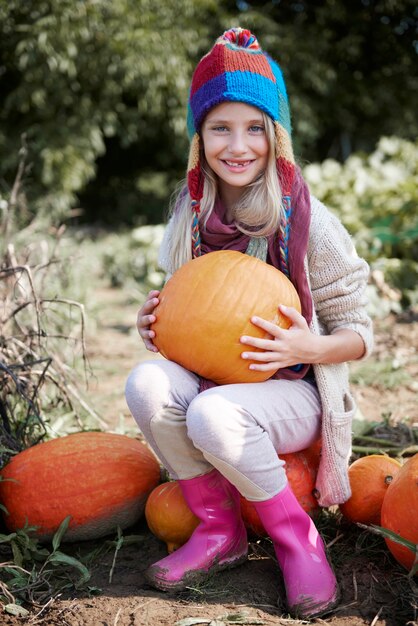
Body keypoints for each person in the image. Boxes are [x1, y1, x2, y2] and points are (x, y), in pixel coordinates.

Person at [125, 27, 373, 619]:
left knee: (214, 413)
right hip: (216, 379)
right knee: (146, 382)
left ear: (275, 134)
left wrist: (306, 343)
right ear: (199, 137)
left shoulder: (308, 219)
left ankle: (296, 540)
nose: (238, 146)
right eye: (220, 128)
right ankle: (218, 528)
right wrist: (154, 322)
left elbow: (360, 333)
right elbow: (189, 313)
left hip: (295, 393)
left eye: (255, 127)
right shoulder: (191, 214)